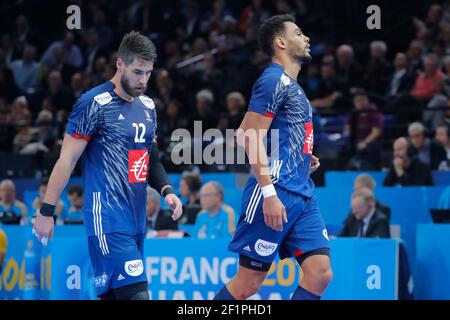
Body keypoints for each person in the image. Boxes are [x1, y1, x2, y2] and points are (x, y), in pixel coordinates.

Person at [32, 31, 183, 300]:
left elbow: (150, 159)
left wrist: (167, 190)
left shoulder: (148, 106)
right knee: (138, 296)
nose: (143, 80)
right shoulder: (93, 104)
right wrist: (46, 210)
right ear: (119, 64)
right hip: (108, 219)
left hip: (137, 221)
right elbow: (67, 159)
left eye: (148, 73)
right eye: (138, 72)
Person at [214, 14, 332, 301]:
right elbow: (249, 136)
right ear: (281, 42)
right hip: (275, 190)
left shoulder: (292, 86)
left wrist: (302, 156)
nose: (307, 38)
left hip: (301, 192)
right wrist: (268, 193)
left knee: (320, 273)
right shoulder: (272, 79)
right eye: (299, 33)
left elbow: (243, 131)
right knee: (248, 285)